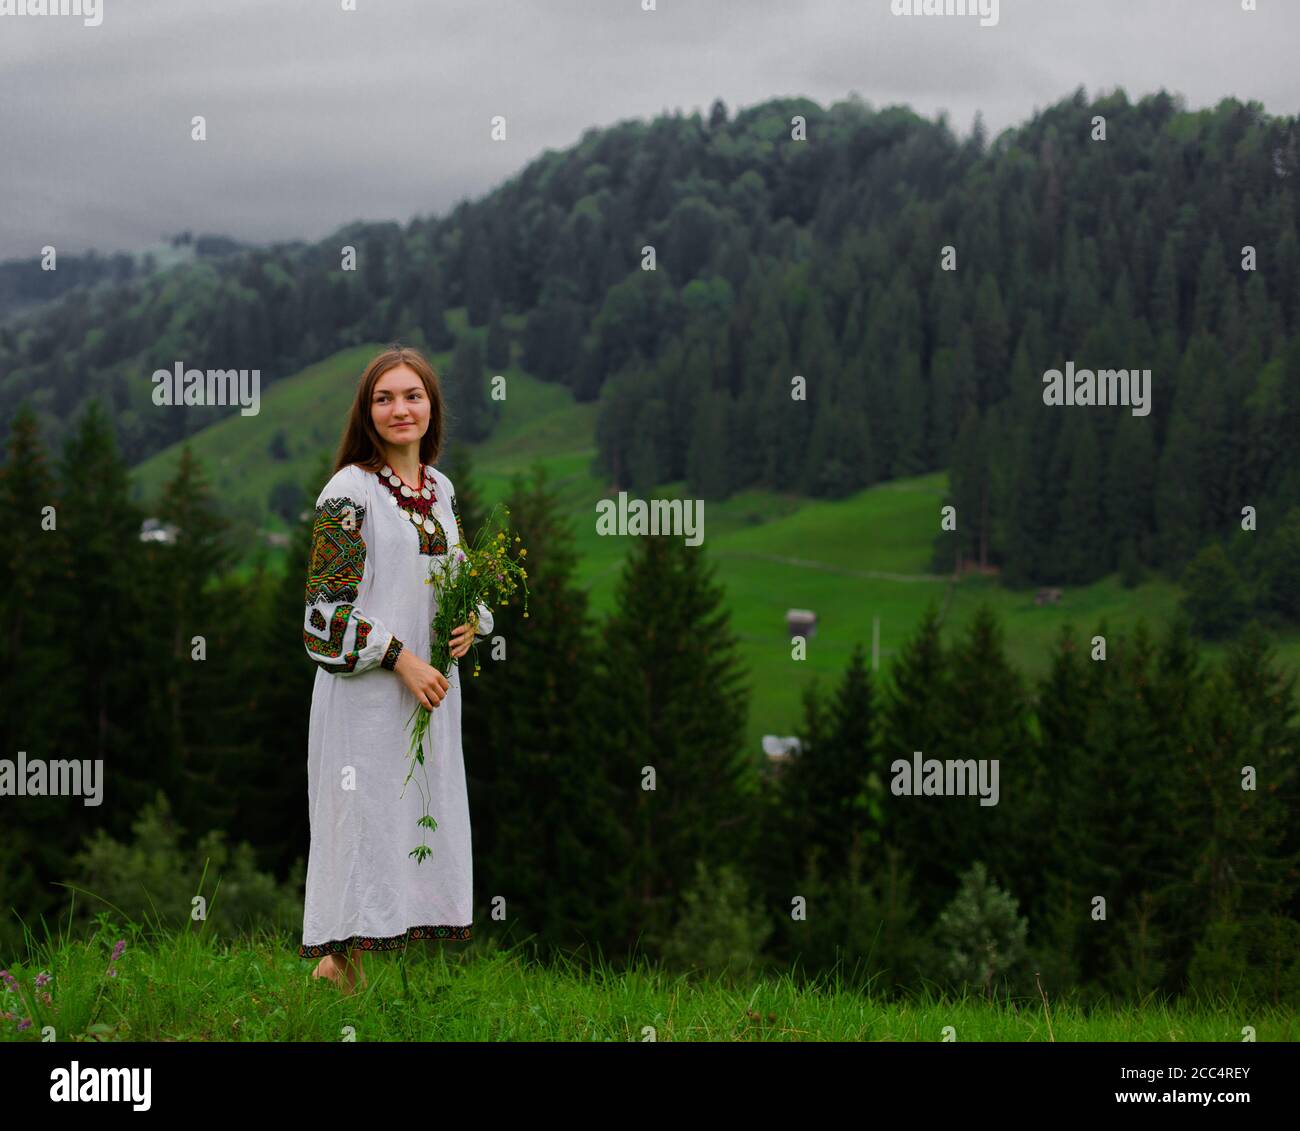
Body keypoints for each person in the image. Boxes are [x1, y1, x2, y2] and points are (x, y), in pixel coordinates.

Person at [299, 345, 492, 994]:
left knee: (408, 822)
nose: (399, 408)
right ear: (367, 411)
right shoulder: (347, 492)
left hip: (429, 696)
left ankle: (357, 981)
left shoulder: (440, 490)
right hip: (366, 702)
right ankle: (335, 968)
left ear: (431, 405)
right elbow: (323, 619)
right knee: (363, 823)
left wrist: (472, 621)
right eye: (384, 398)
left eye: (412, 395)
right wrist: (400, 656)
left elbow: (455, 579)